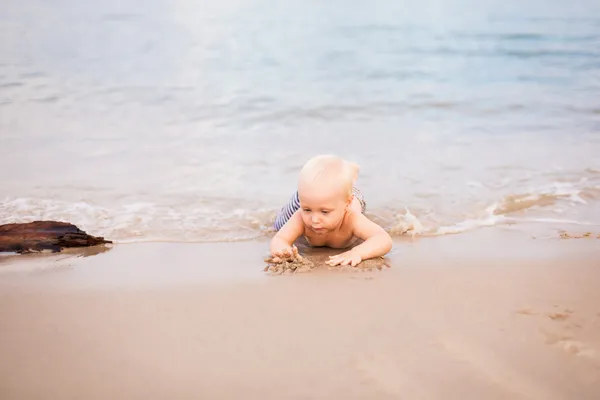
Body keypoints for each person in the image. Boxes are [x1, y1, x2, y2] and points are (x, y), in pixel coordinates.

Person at [271, 154, 392, 267]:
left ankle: (351, 172)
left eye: (324, 212)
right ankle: (310, 200)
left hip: (350, 197)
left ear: (347, 204)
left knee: (342, 186)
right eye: (307, 210)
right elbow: (280, 239)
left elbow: (382, 238)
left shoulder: (351, 218)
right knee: (278, 224)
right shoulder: (301, 216)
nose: (315, 219)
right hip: (313, 197)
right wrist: (283, 252)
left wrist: (357, 252)